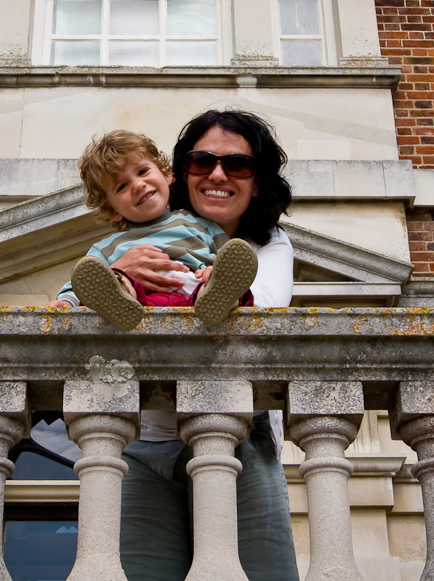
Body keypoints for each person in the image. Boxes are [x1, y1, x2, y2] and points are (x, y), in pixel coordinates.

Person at [112, 109, 299, 581]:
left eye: (237, 165)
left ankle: (222, 289)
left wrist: (226, 292)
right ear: (181, 173)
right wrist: (121, 271)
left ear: (257, 183)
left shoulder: (270, 243)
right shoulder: (147, 232)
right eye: (202, 161)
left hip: (239, 438)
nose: (217, 174)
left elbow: (266, 313)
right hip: (145, 441)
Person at [47, 129, 258, 329]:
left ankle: (216, 297)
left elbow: (230, 259)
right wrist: (66, 302)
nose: (138, 185)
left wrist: (213, 272)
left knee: (223, 287)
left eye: (143, 171)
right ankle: (118, 297)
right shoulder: (107, 247)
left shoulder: (200, 224)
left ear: (167, 174)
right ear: (112, 210)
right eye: (122, 187)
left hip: (195, 294)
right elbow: (84, 280)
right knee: (117, 279)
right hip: (140, 302)